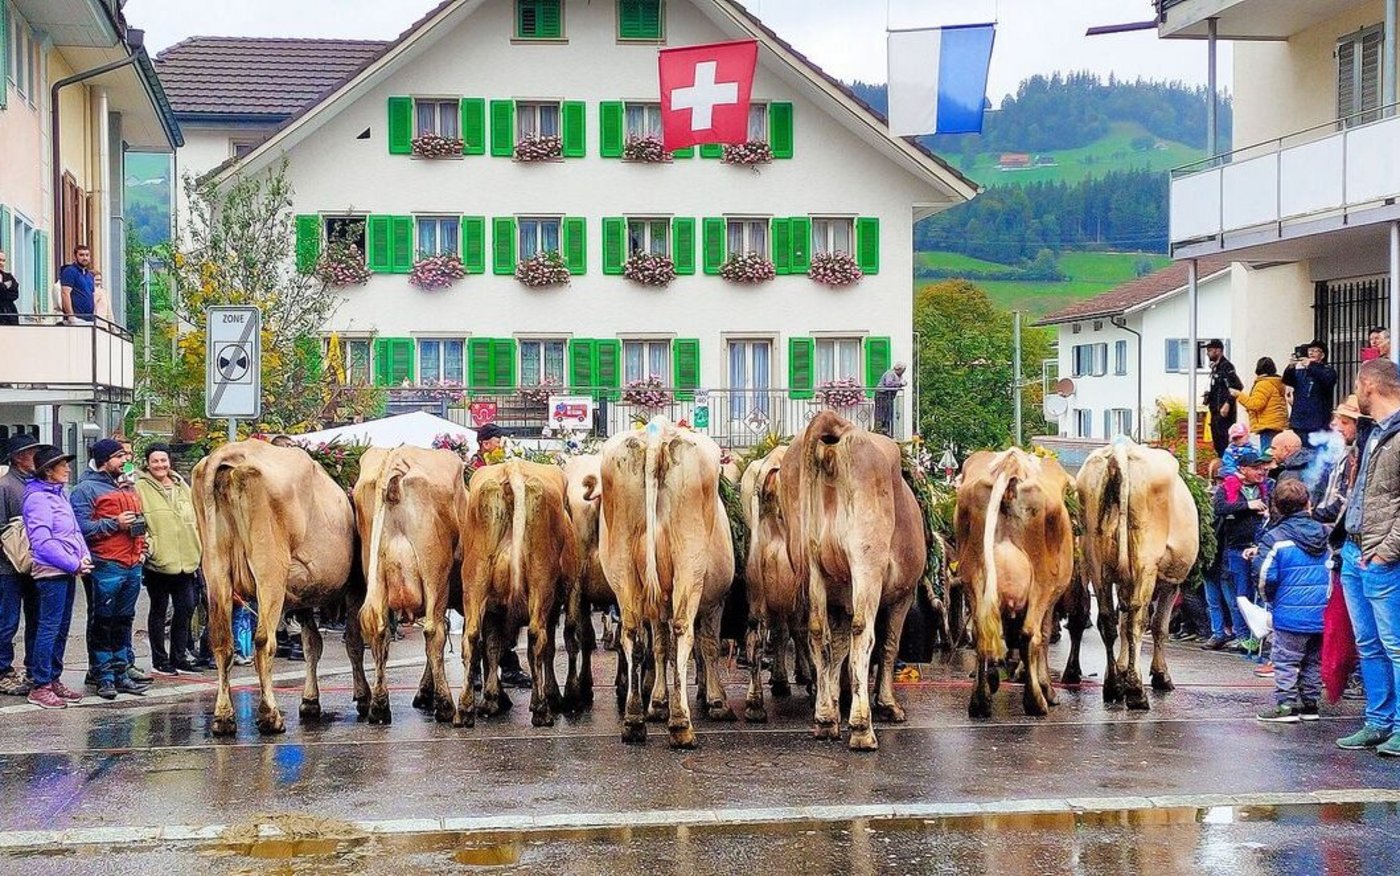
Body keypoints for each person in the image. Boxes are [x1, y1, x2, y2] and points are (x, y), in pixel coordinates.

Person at [1337, 358, 1400, 756]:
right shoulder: (1373, 433)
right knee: (1370, 643)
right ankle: (1379, 722)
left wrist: (1383, 554)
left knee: (1394, 644)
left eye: (1357, 386)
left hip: (1380, 556)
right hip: (1354, 549)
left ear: (1369, 386)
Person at [70, 438, 150, 699]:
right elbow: (81, 529)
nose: (125, 460)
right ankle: (102, 675)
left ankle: (121, 672)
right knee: (103, 622)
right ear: (104, 460)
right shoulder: (85, 490)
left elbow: (138, 524)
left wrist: (141, 547)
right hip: (106, 563)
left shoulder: (127, 488)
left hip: (130, 563)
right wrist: (114, 524)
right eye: (119, 456)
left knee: (123, 620)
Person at [1250, 479, 1330, 722]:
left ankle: (1286, 705)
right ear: (1309, 504)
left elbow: (1264, 576)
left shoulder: (1275, 538)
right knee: (1313, 660)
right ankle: (1310, 704)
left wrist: (1269, 601)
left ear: (1277, 507)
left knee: (1285, 660)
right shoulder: (1326, 534)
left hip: (1288, 613)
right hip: (1322, 613)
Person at [20, 445, 91, 709]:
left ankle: (53, 678)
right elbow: (42, 542)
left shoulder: (59, 494)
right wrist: (74, 563)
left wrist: (83, 558)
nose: (68, 468)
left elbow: (73, 532)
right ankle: (40, 685)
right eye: (63, 465)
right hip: (51, 571)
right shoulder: (38, 499)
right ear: (49, 471)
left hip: (67, 569)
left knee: (60, 627)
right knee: (48, 628)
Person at [134, 444, 202, 675]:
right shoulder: (140, 487)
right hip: (159, 562)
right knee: (159, 610)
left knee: (186, 608)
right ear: (147, 463)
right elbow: (139, 521)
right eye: (155, 461)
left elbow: (195, 518)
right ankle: (160, 660)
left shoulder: (182, 486)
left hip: (187, 559)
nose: (160, 465)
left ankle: (179, 656)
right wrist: (150, 546)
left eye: (163, 460)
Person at [1204, 448, 1272, 653]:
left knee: (1260, 595)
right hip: (1236, 548)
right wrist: (1248, 505)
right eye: (1256, 468)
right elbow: (1220, 507)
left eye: (1263, 467)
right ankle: (1243, 637)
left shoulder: (1268, 486)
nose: (1261, 471)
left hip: (1260, 547)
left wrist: (1269, 510)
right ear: (1243, 469)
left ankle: (1258, 637)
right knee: (1241, 596)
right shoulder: (1228, 487)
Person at [0, 434, 40, 695]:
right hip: (7, 567)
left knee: (36, 618)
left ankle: (32, 667)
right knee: (7, 620)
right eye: (31, 452)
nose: (36, 457)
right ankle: (3, 670)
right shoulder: (4, 486)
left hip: (35, 564)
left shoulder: (37, 484)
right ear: (17, 458)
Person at [1314, 395, 1362, 526]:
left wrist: (1314, 513)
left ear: (1359, 425)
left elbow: (1345, 499)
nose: (1338, 427)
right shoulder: (1342, 451)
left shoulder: (1357, 455)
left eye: (1345, 423)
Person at [1281, 340, 1338, 441]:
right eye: (1310, 350)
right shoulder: (1301, 372)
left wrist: (1310, 366)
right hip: (1299, 423)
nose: (1311, 353)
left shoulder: (1328, 371)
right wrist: (1290, 367)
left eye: (1315, 351)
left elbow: (1326, 380)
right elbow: (1287, 380)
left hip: (1317, 423)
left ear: (1322, 355)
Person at [1232, 357, 1289, 453]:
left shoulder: (1263, 384)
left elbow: (1255, 405)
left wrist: (1238, 395)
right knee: (1277, 453)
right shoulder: (1277, 382)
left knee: (1267, 454)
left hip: (1267, 425)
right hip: (1277, 423)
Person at [1204, 339, 1243, 458]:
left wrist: (1227, 404)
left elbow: (1237, 386)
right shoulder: (1216, 367)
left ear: (1218, 351)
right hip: (1215, 411)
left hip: (1224, 413)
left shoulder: (1226, 366)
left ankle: (1228, 468)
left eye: (1210, 350)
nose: (1207, 354)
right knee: (1218, 444)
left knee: (1224, 443)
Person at [58, 244, 96, 324]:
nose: (85, 258)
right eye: (81, 255)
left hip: (89, 319)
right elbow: (65, 293)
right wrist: (70, 316)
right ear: (75, 257)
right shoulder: (70, 271)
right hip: (76, 319)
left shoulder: (90, 275)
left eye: (87, 255)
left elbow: (92, 296)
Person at [875, 363, 907, 436]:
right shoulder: (890, 373)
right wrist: (900, 383)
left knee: (888, 413)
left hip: (889, 396)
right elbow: (888, 383)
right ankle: (879, 429)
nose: (903, 372)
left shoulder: (899, 376)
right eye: (902, 370)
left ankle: (886, 430)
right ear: (898, 369)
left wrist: (902, 383)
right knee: (881, 412)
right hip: (882, 395)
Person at [0, 250, 19, 327]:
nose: (1, 263)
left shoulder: (9, 277)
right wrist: (4, 287)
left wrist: (1, 289)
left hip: (10, 317)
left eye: (3, 261)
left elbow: (15, 294)